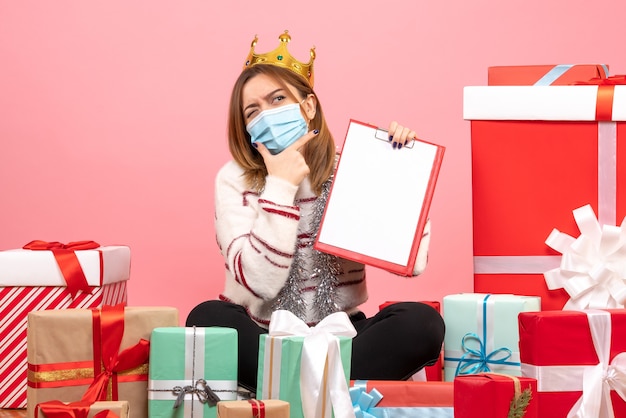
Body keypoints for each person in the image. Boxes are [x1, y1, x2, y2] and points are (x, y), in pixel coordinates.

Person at [186, 31, 445, 392]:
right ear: (246, 129)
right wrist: (280, 183)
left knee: (423, 322)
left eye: (278, 99)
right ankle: (330, 388)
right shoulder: (232, 178)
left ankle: (288, 387)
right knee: (205, 319)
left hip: (344, 333)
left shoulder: (353, 165)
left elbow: (413, 263)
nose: (267, 115)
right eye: (253, 111)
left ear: (308, 107)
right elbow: (260, 282)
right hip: (262, 333)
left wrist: (399, 170)